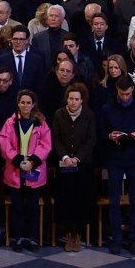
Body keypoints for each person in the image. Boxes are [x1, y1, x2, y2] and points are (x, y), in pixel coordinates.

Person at [99, 74, 135, 253]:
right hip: (115, 159)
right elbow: (101, 133)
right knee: (114, 201)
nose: (125, 97)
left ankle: (134, 238)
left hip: (134, 159)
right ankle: (117, 238)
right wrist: (110, 136)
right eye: (122, 94)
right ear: (117, 91)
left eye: (128, 94)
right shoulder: (107, 108)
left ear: (132, 91)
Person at [46, 84, 100, 251]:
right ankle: (68, 232)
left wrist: (78, 158)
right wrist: (65, 157)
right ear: (66, 99)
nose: (73, 102)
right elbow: (56, 138)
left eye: (76, 99)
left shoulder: (89, 115)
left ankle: (78, 232)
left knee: (81, 197)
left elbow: (91, 139)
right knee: (65, 197)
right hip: (64, 164)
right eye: (71, 98)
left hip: (82, 165)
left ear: (81, 100)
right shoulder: (59, 114)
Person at [0, 89, 51, 251]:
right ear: (18, 104)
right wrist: (18, 160)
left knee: (33, 206)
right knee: (17, 207)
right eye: (22, 102)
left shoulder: (41, 122)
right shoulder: (10, 122)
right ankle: (17, 237)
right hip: (15, 169)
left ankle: (32, 238)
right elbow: (4, 142)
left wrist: (33, 161)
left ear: (33, 104)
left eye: (28, 103)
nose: (25, 105)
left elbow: (46, 145)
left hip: (34, 170)